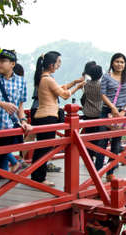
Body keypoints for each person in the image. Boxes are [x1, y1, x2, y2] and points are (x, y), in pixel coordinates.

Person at [31, 51, 84, 187]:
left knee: (42, 148)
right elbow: (64, 95)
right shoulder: (48, 79)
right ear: (51, 64)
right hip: (48, 117)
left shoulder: (43, 78)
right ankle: (39, 178)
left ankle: (36, 176)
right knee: (44, 149)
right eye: (58, 62)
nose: (59, 65)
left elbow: (59, 89)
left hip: (42, 116)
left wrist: (73, 82)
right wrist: (77, 87)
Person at [0, 49, 32, 192]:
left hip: (7, 130)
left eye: (2, 61)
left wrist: (24, 120)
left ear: (12, 64)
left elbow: (20, 106)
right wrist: (1, 103)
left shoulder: (21, 82)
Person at [96, 53, 126, 182]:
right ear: (112, 63)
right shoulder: (106, 77)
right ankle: (97, 171)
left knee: (116, 143)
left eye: (122, 62)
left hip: (121, 113)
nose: (120, 64)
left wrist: (125, 110)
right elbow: (102, 94)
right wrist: (112, 107)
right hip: (107, 111)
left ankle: (110, 171)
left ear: (125, 64)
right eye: (117, 62)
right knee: (101, 141)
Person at [81, 62, 103, 160]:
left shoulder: (86, 84)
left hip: (87, 113)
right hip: (98, 112)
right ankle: (96, 154)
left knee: (88, 136)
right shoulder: (101, 86)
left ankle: (89, 156)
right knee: (97, 136)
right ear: (100, 74)